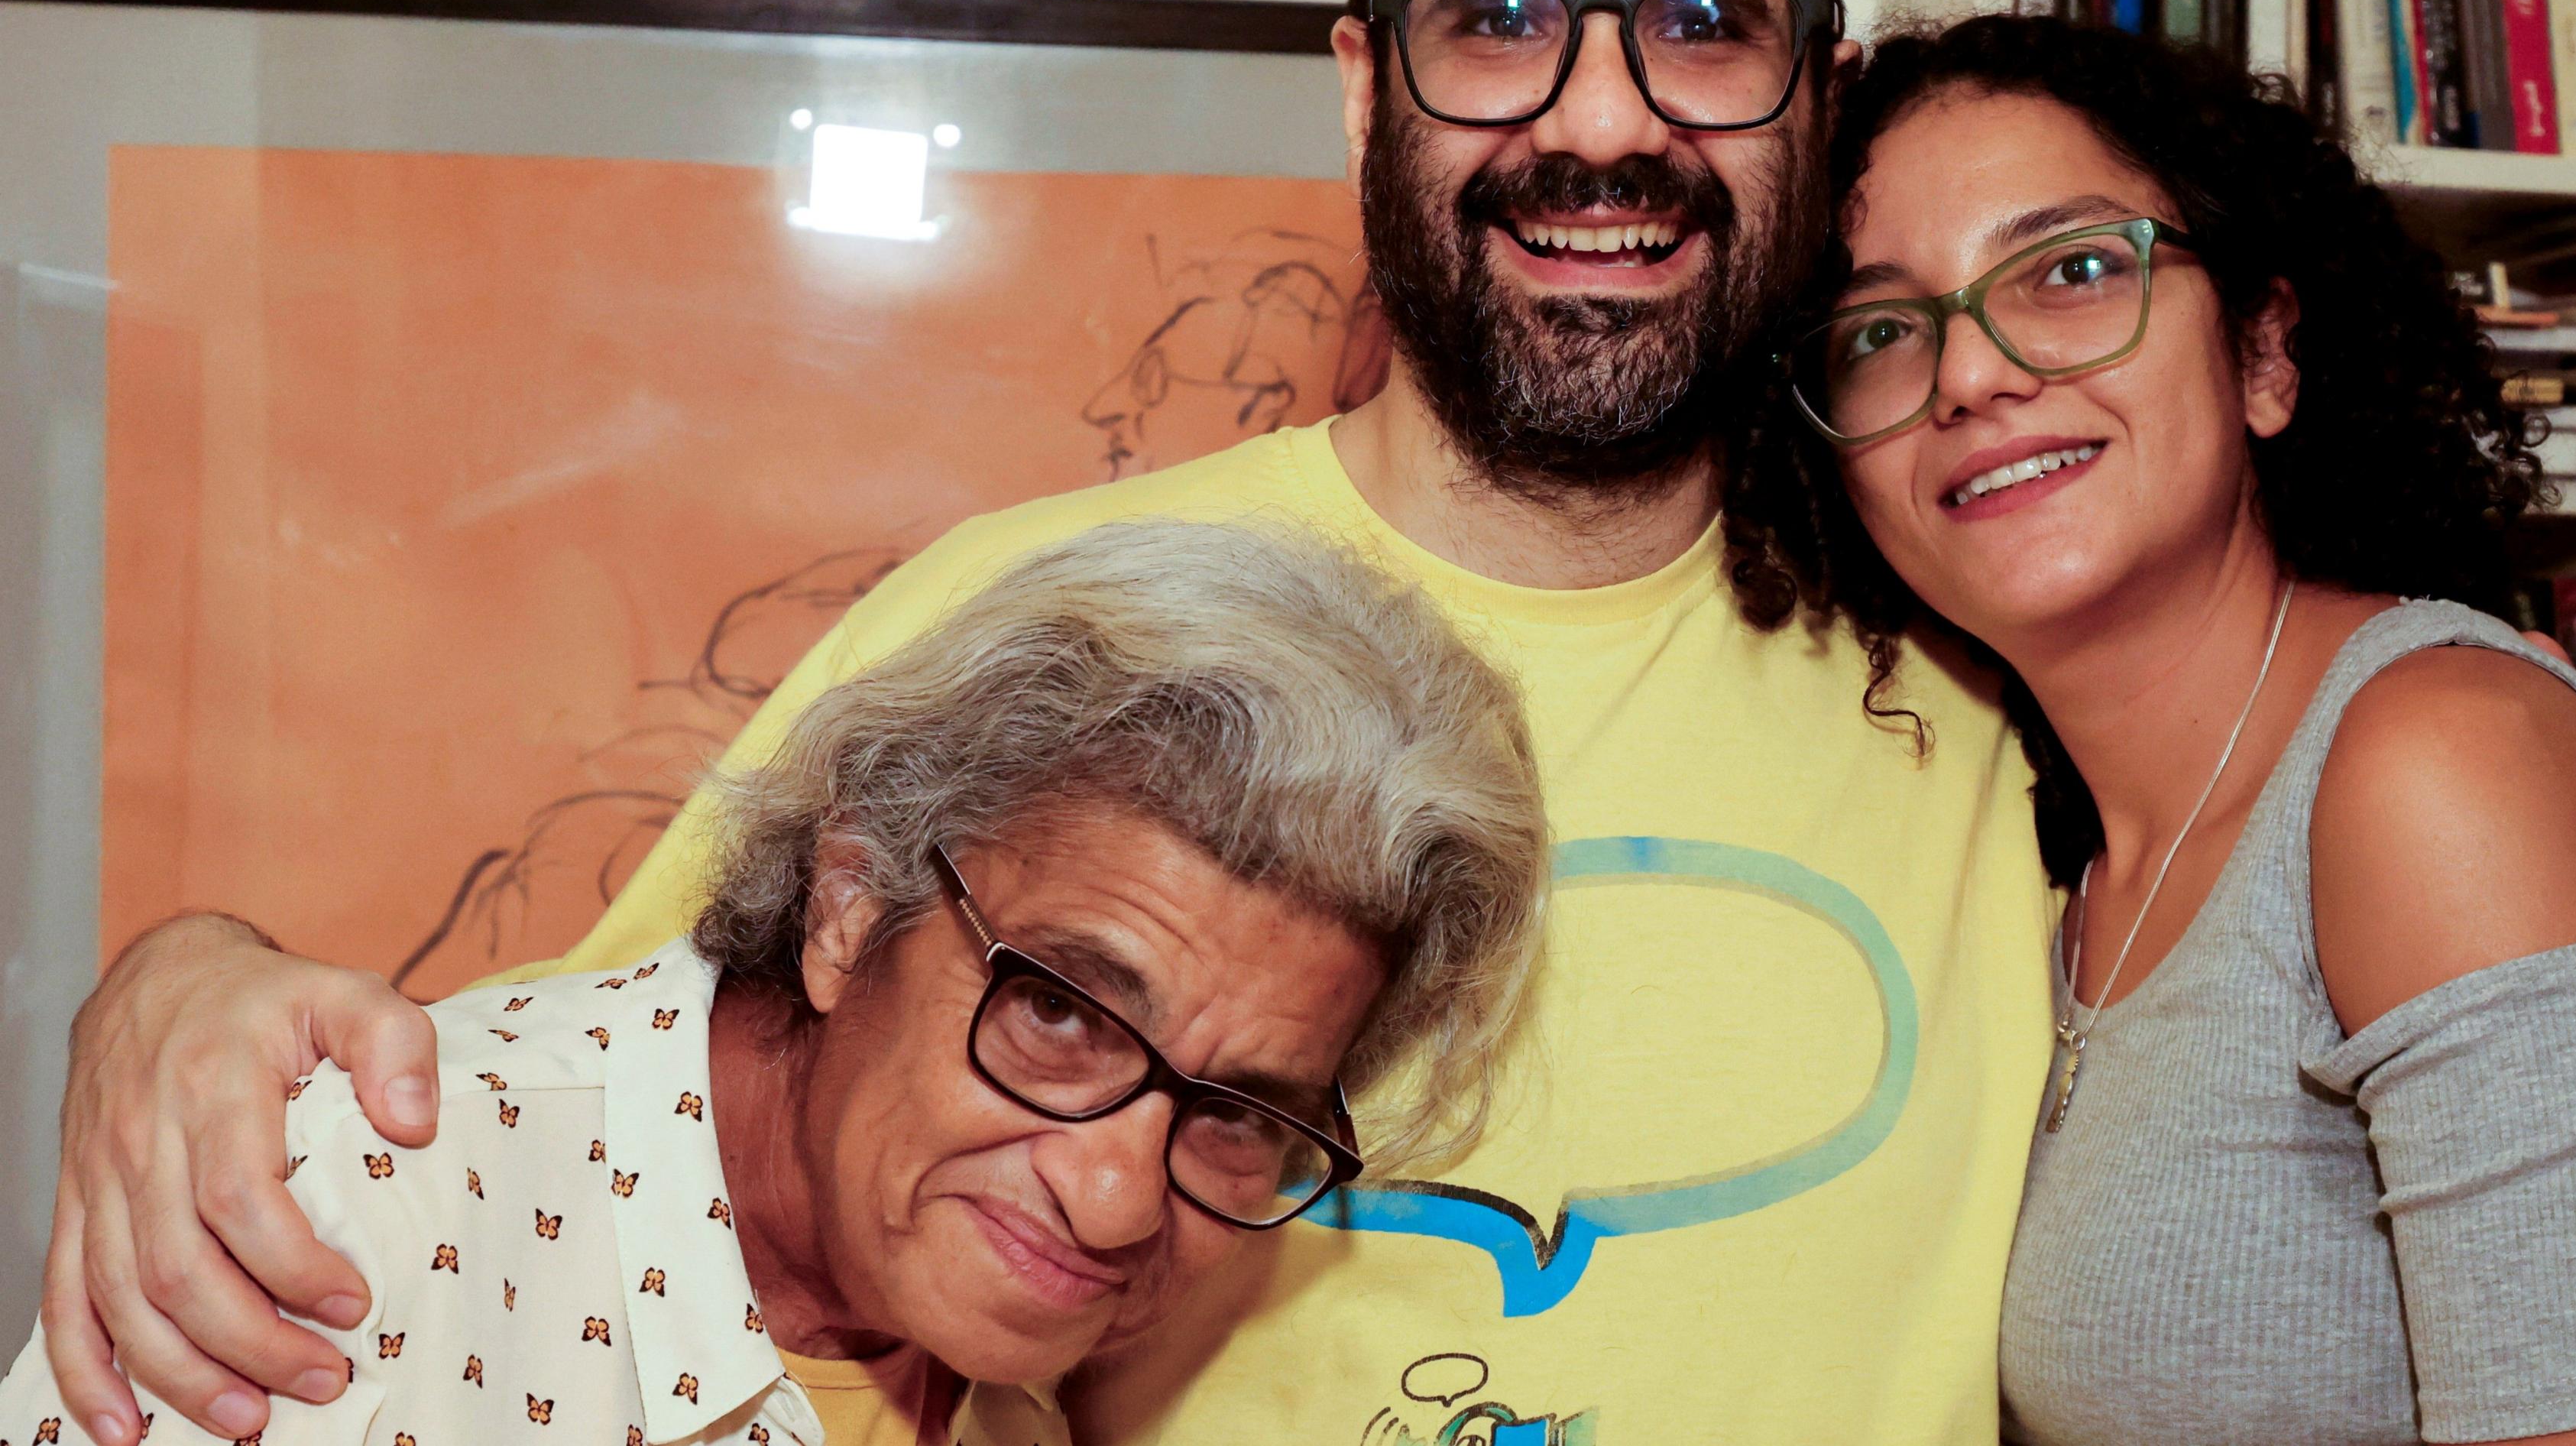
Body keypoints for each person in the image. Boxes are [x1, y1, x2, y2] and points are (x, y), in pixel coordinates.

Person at [41, 0, 2576, 1444]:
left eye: (1703, 27)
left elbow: (2310, 826)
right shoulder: (1035, 623)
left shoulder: (1970, 646)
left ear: (1807, 97)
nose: (1599, 118)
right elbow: (636, 1136)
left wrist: (2545, 830)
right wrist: (175, 990)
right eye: (1502, 21)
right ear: (1364, 80)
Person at [1725, 13, 2576, 1441]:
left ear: (2266, 354)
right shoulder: (2054, 857)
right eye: (1883, 330)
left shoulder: (2440, 764)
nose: (1969, 376)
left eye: (2075, 270)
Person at [5, 518, 1551, 1446]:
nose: (1116, 1200)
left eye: (1233, 1115)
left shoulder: (997, 1386)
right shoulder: (342, 1219)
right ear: (847, 902)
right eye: (1063, 1014)